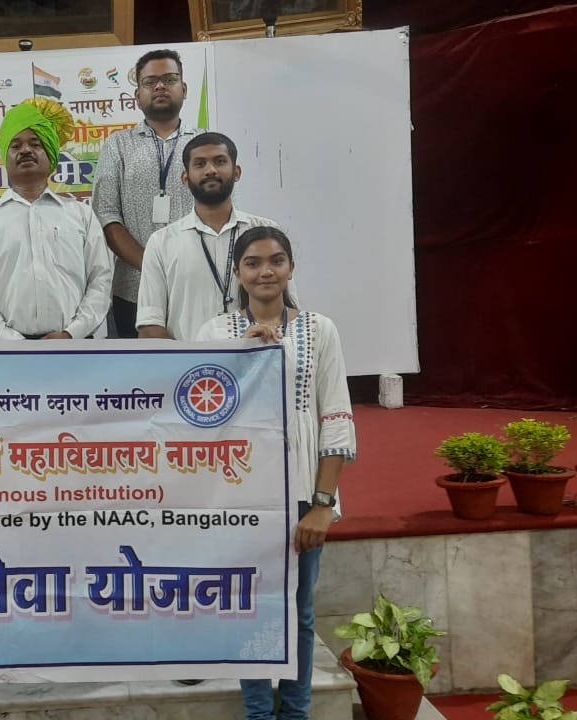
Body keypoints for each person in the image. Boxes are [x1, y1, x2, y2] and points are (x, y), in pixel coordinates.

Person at [195, 226, 355, 720]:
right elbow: (201, 417)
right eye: (253, 262)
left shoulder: (320, 329)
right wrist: (242, 356)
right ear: (238, 273)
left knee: (299, 611)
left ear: (290, 268)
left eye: (276, 260)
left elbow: (335, 417)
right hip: (240, 496)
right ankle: (259, 712)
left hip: (303, 491)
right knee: (250, 605)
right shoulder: (214, 332)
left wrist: (323, 505)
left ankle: (296, 712)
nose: (266, 271)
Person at [0, 97, 112, 340]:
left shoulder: (81, 215)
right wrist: (9, 339)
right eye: (15, 146)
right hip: (7, 351)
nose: (25, 151)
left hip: (75, 346)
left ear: (50, 155)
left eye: (35, 143)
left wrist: (72, 333)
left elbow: (100, 281)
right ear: (5, 157)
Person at [91, 48, 199, 338]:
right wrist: (152, 266)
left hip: (195, 284)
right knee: (140, 366)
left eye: (169, 79)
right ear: (137, 95)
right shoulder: (117, 145)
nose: (160, 86)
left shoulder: (204, 144)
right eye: (150, 82)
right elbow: (106, 215)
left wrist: (181, 270)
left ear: (184, 89)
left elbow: (221, 213)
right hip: (133, 288)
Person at [136, 132, 281, 341]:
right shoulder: (161, 243)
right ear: (185, 178)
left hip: (257, 358)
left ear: (237, 172)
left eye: (220, 161)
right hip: (190, 361)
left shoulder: (266, 233)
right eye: (200, 164)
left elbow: (288, 311)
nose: (210, 170)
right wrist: (192, 360)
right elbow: (150, 326)